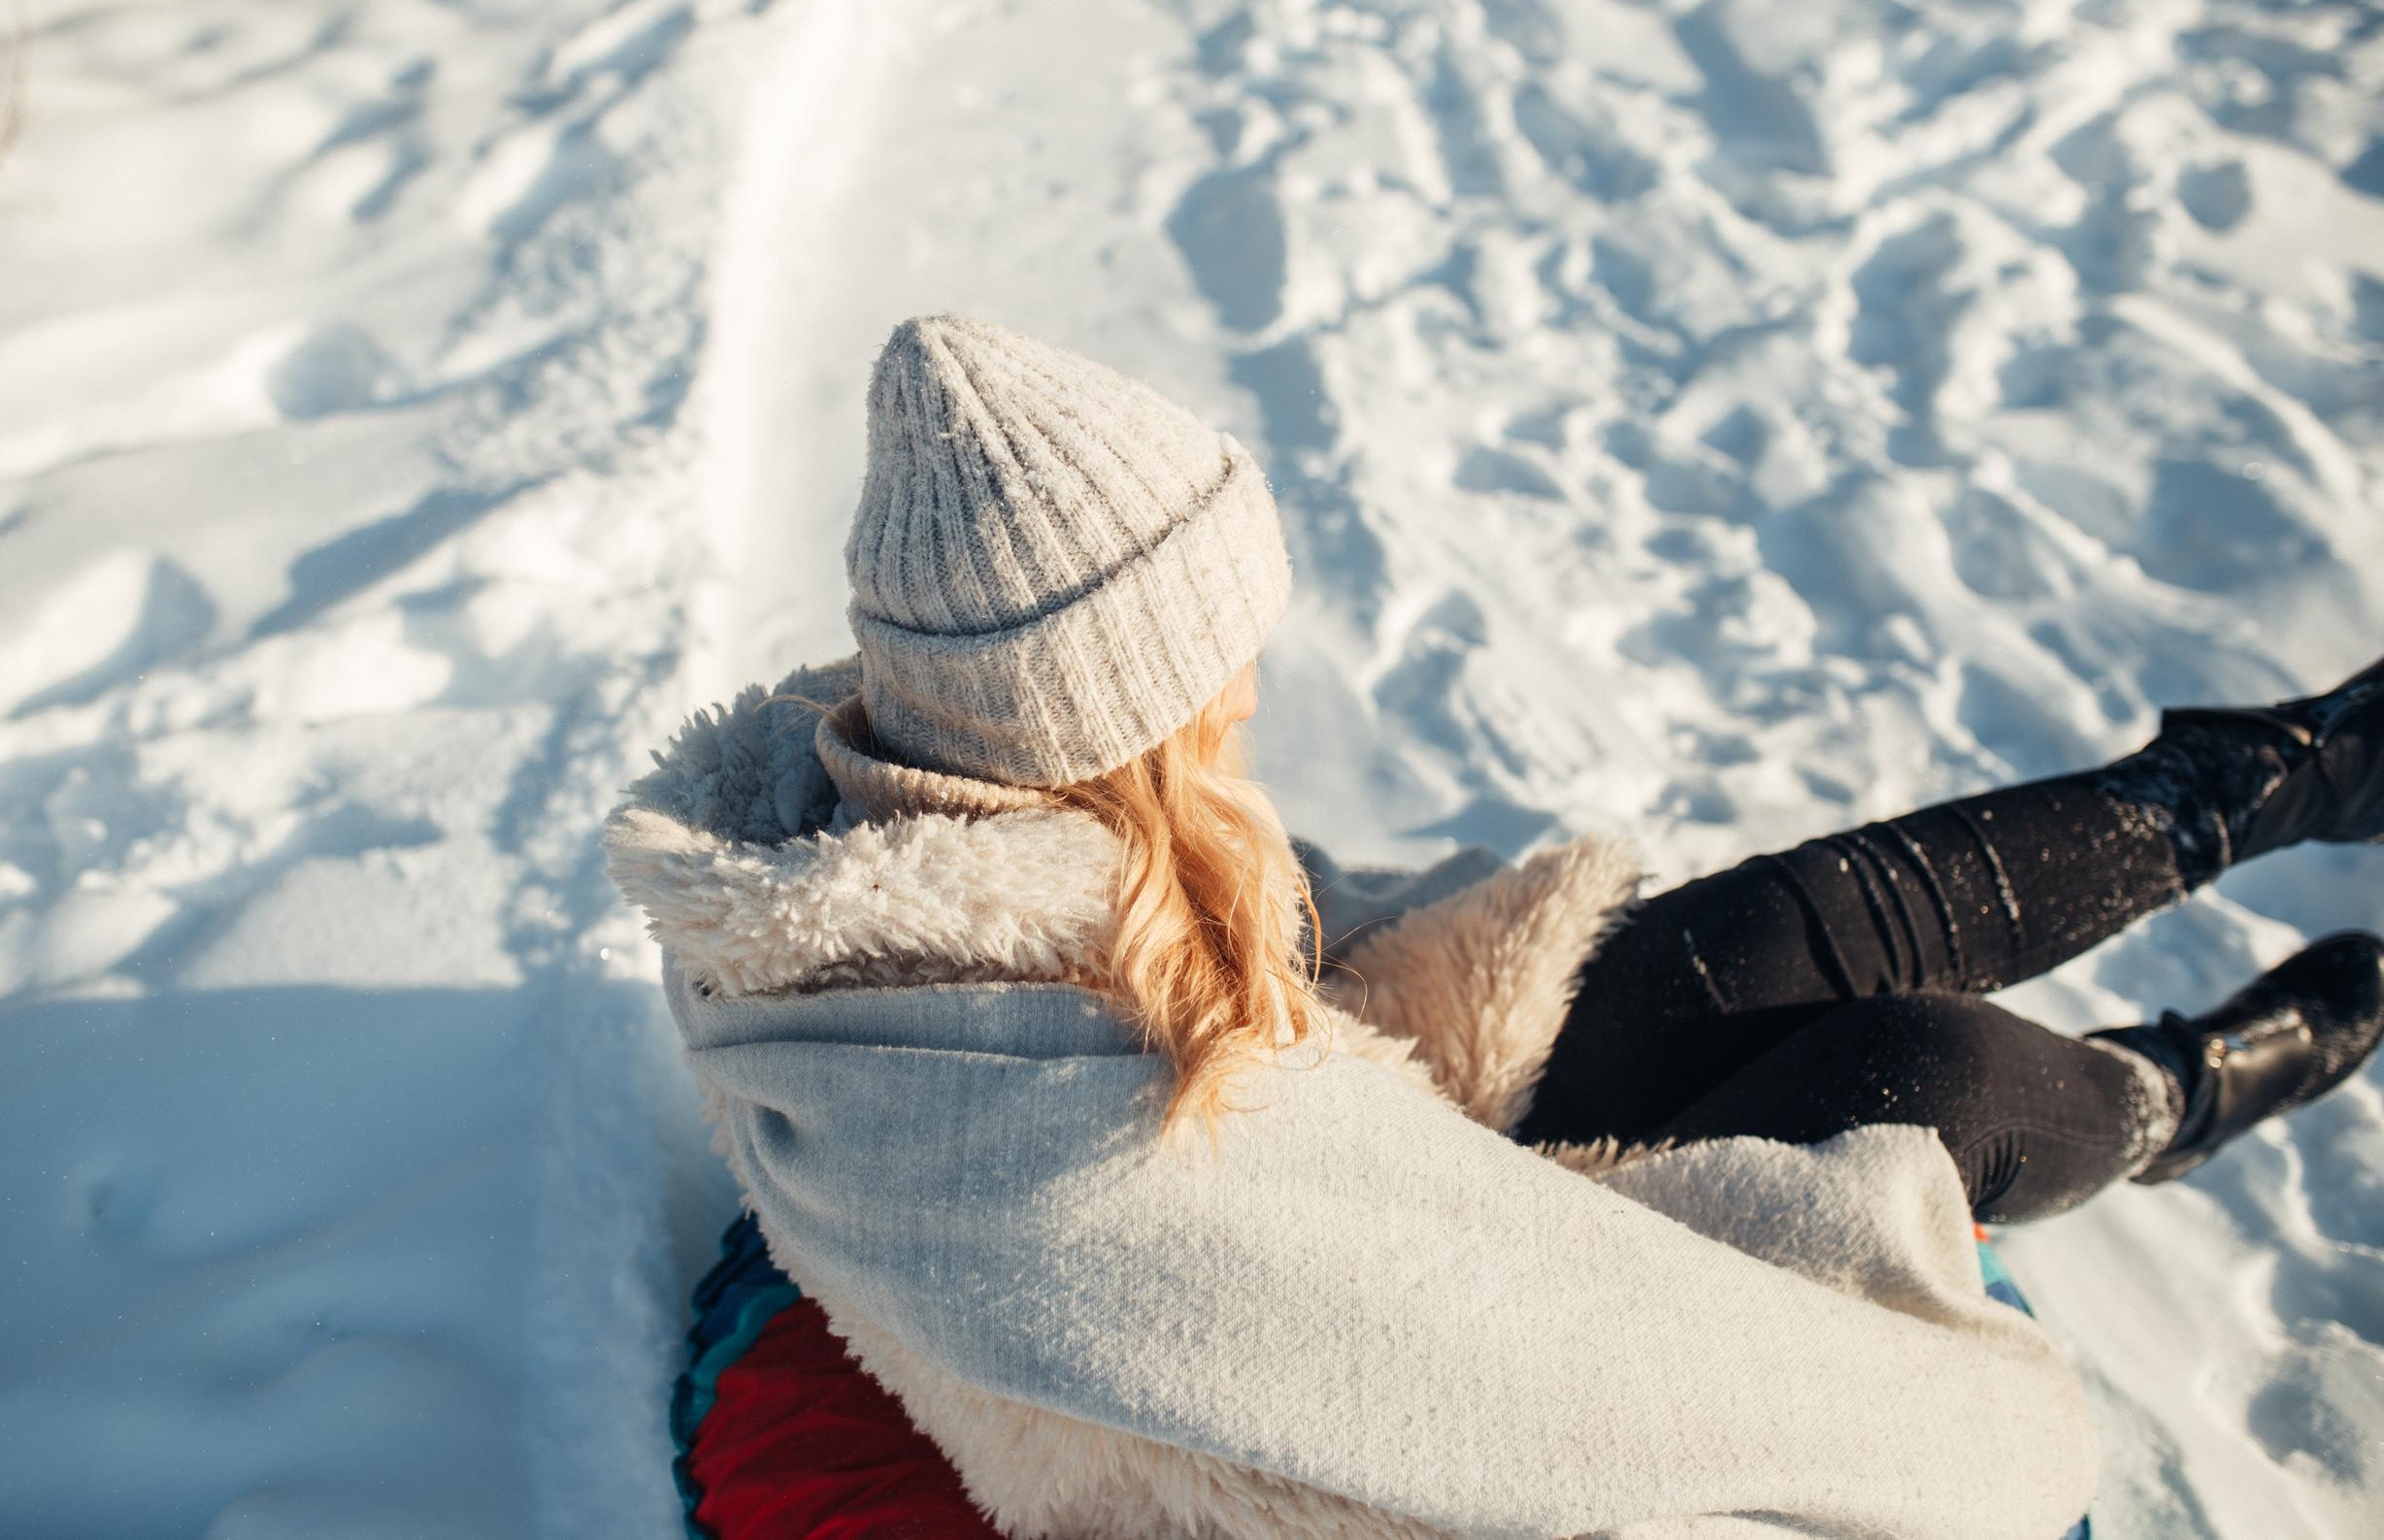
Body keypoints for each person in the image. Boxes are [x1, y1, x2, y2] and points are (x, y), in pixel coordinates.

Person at [608, 314, 2384, 1540]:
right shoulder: (1073, 1153)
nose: (1245, 685)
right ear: (1113, 712)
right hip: (1269, 1440)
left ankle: (2269, 776)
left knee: (1767, 933)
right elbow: (1561, 1382)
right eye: (1214, 662)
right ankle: (2185, 1090)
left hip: (1299, 1196)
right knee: (1924, 1077)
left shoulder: (928, 819)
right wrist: (1968, 1436)